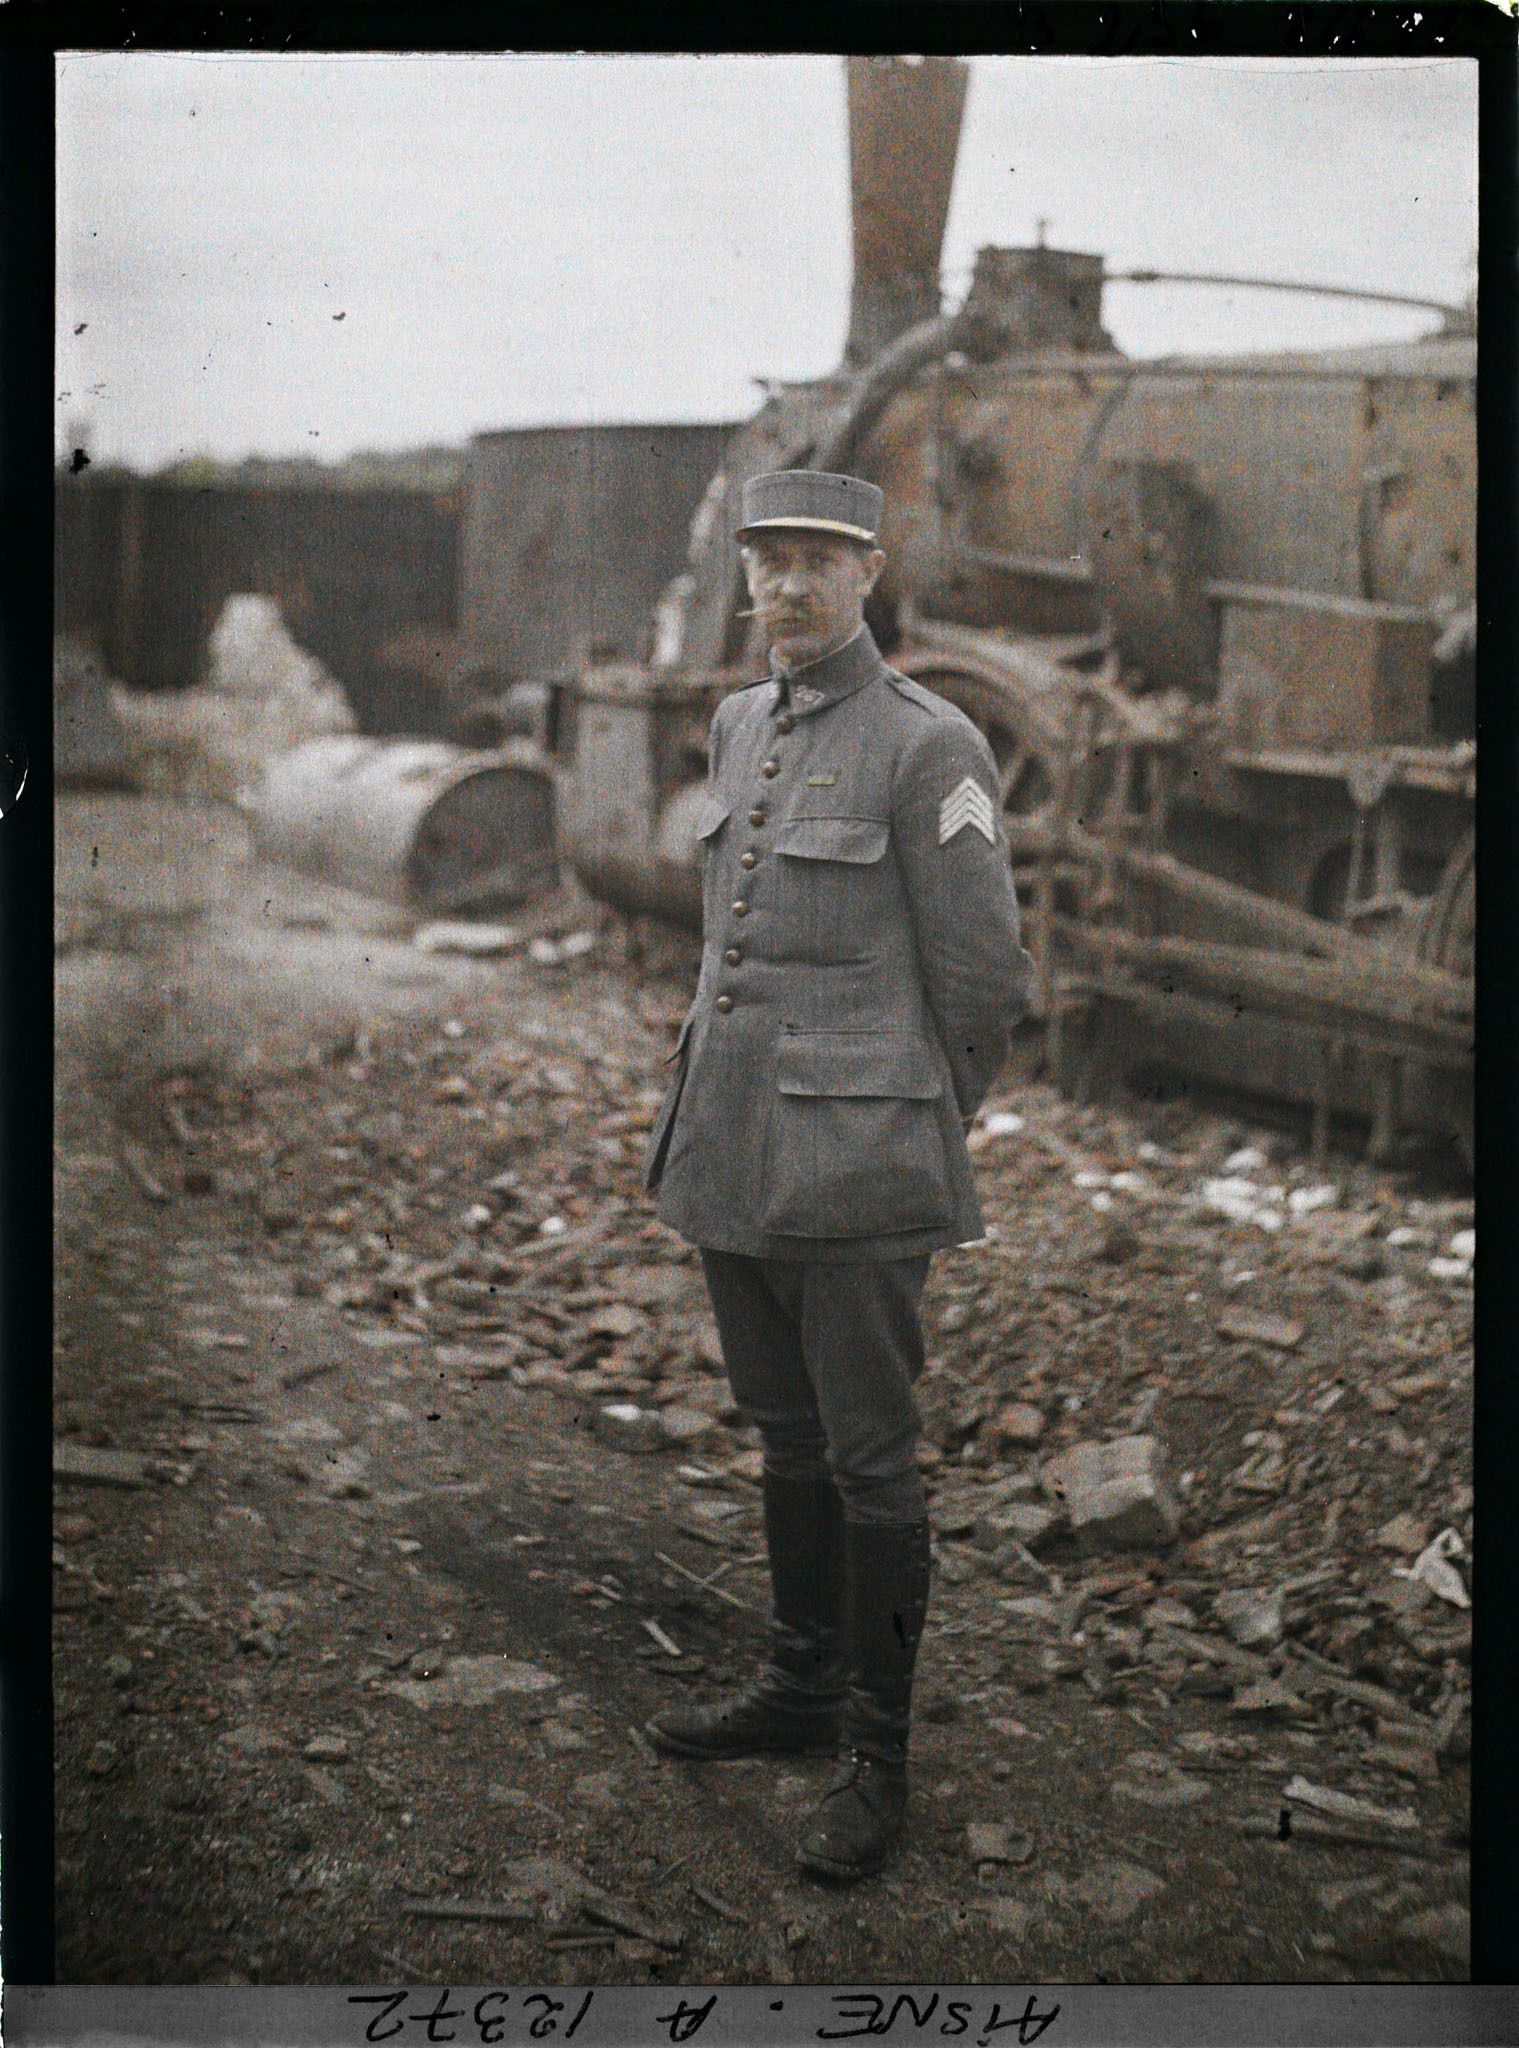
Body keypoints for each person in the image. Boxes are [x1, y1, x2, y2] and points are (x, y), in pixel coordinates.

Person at [643, 468, 1033, 1881]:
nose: (791, 587)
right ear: (746, 578)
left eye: (819, 561)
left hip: (858, 1164)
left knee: (870, 1455)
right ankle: (801, 1687)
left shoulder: (933, 749)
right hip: (731, 1142)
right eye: (771, 563)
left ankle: (878, 1755)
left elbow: (985, 983)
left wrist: (910, 1121)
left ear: (870, 573)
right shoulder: (740, 720)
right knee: (784, 1431)